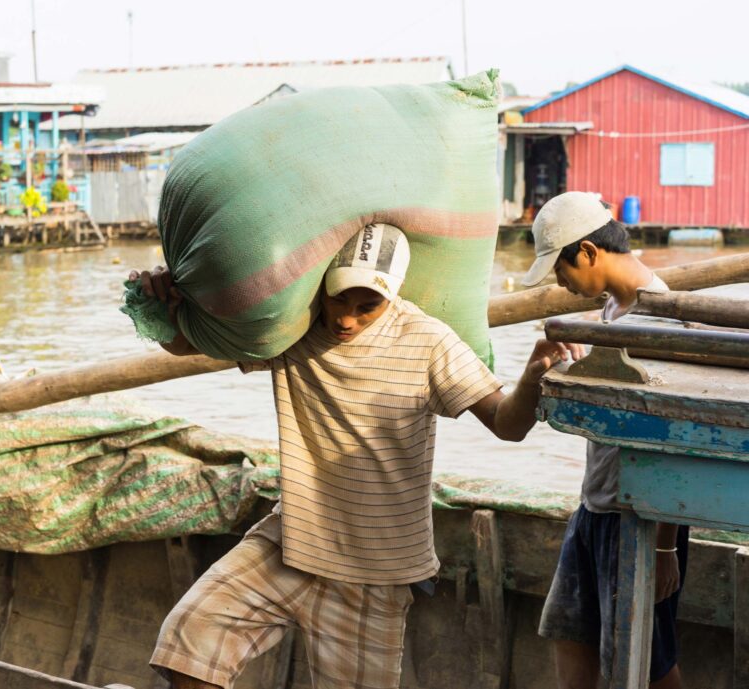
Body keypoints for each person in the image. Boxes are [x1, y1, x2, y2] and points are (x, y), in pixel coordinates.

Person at [130, 223, 581, 689]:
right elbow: (185, 344)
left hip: (376, 573)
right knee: (188, 639)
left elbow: (508, 425)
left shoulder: (429, 342)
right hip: (290, 542)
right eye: (338, 300)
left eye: (367, 307)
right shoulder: (293, 328)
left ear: (394, 295)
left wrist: (532, 377)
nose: (347, 319)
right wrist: (165, 305)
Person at [521, 192, 688, 689]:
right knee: (569, 633)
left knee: (647, 662)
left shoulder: (659, 320)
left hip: (639, 519)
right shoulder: (615, 309)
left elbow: (673, 439)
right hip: (595, 507)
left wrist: (664, 548)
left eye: (561, 268)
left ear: (589, 253)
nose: (560, 281)